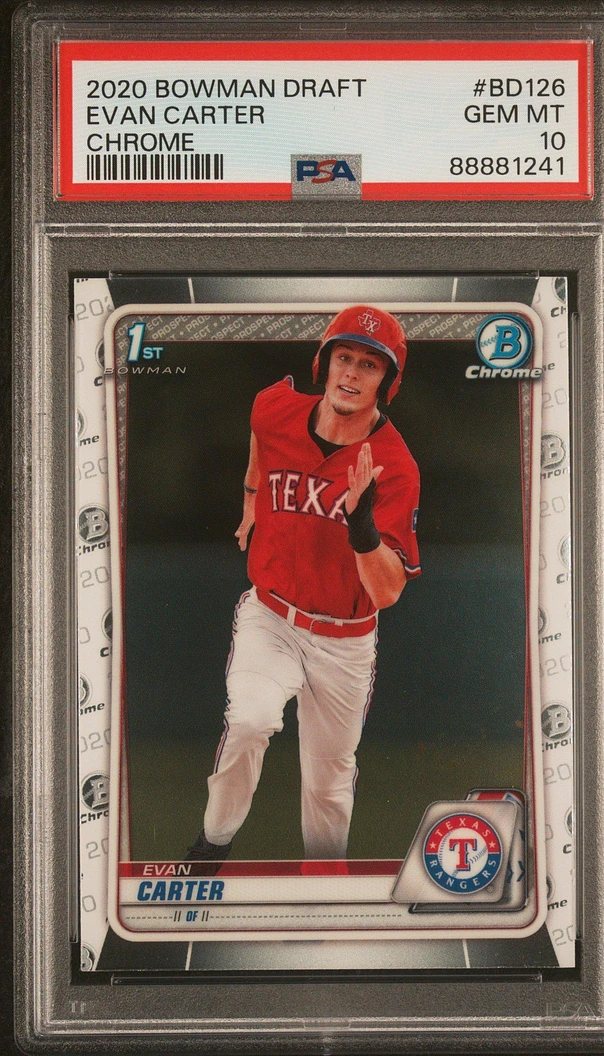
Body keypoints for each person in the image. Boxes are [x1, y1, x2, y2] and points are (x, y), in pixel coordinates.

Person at [186, 305, 421, 863]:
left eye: (369, 364)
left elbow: (387, 592)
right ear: (324, 362)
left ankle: (323, 883)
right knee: (250, 719)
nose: (351, 373)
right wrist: (251, 495)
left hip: (345, 640)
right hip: (270, 616)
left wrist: (362, 528)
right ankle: (212, 845)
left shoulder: (394, 466)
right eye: (344, 357)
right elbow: (260, 430)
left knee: (328, 781)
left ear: (386, 381)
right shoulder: (276, 409)